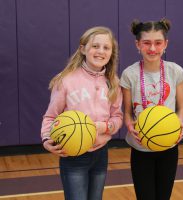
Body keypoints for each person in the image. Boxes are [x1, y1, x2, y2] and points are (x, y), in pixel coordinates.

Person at [41, 26, 123, 200]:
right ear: (83, 48)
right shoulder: (66, 80)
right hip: (73, 154)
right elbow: (50, 116)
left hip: (101, 153)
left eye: (106, 48)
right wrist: (47, 139)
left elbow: (117, 116)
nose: (100, 51)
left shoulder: (113, 82)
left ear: (111, 53)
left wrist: (104, 127)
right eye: (95, 46)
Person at [120, 18, 183, 200]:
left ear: (165, 44)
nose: (152, 48)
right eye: (146, 43)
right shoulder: (129, 74)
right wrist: (129, 124)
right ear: (137, 44)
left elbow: (182, 108)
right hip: (141, 146)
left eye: (158, 43)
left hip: (169, 145)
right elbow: (126, 112)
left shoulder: (175, 71)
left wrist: (179, 122)